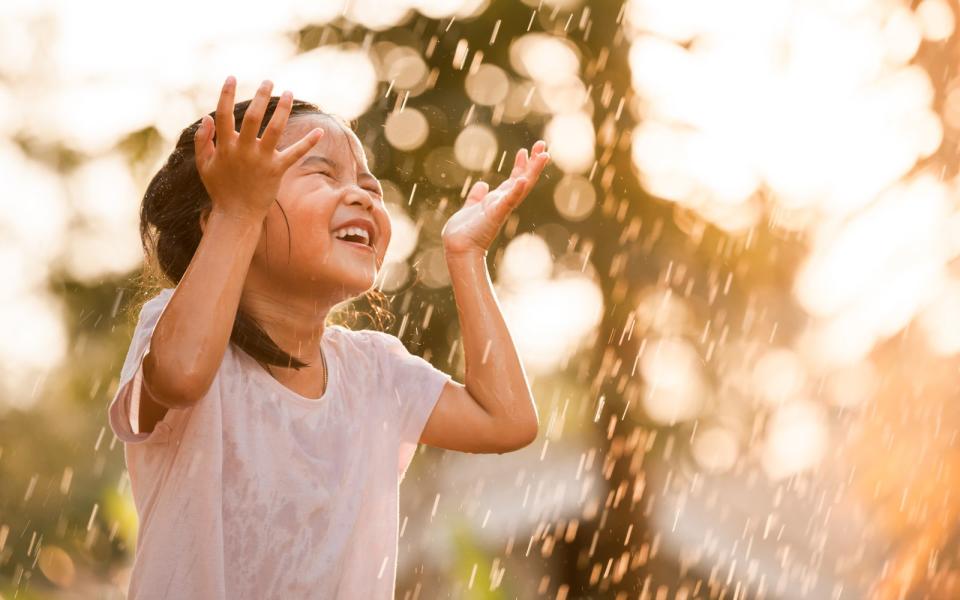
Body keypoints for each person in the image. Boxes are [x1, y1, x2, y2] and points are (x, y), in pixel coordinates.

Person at [107, 76, 550, 599]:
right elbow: (179, 378)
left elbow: (508, 421)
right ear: (219, 217)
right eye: (321, 173)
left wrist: (466, 256)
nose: (361, 197)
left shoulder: (375, 372)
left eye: (369, 186)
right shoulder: (174, 330)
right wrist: (239, 211)